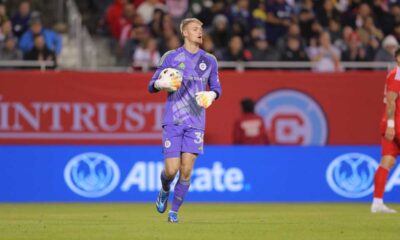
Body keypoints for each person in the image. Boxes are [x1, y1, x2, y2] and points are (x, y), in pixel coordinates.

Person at [148, 18, 222, 223]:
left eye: (201, 28)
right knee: (171, 170)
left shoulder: (210, 60)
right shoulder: (171, 57)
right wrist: (160, 83)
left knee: (187, 170)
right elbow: (151, 85)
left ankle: (174, 212)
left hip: (196, 121)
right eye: (195, 29)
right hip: (173, 120)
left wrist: (212, 96)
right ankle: (164, 189)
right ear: (185, 33)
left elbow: (217, 88)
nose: (200, 32)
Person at [371, 47, 400, 214]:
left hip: (391, 123)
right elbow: (391, 101)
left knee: (387, 161)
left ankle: (377, 203)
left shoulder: (394, 73)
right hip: (396, 123)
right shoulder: (398, 74)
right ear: (397, 58)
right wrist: (391, 124)